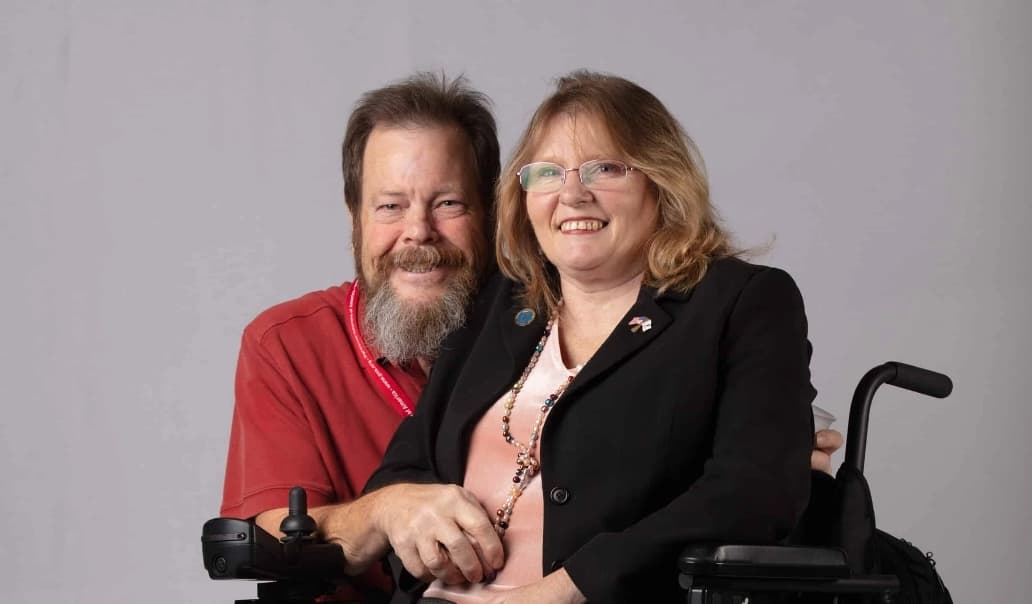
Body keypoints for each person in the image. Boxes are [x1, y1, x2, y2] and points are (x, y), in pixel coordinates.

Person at [218, 72, 843, 599]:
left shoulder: (737, 303)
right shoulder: (503, 308)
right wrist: (397, 510)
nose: (572, 192)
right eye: (546, 172)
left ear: (661, 179)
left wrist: (565, 588)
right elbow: (404, 470)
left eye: (603, 167)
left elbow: (751, 490)